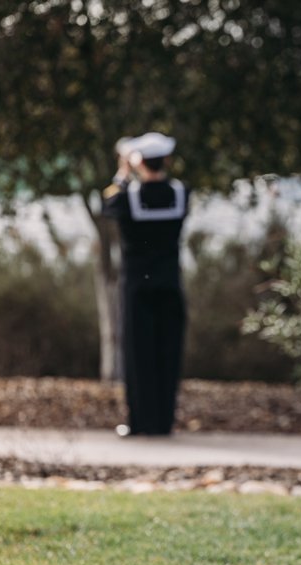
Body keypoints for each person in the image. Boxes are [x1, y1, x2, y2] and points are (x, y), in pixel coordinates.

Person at [102, 132, 189, 437]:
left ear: (138, 163)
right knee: (168, 352)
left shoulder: (127, 198)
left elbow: (109, 204)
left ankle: (140, 422)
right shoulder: (181, 195)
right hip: (170, 285)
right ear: (166, 159)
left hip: (137, 287)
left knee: (138, 355)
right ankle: (164, 421)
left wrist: (122, 173)